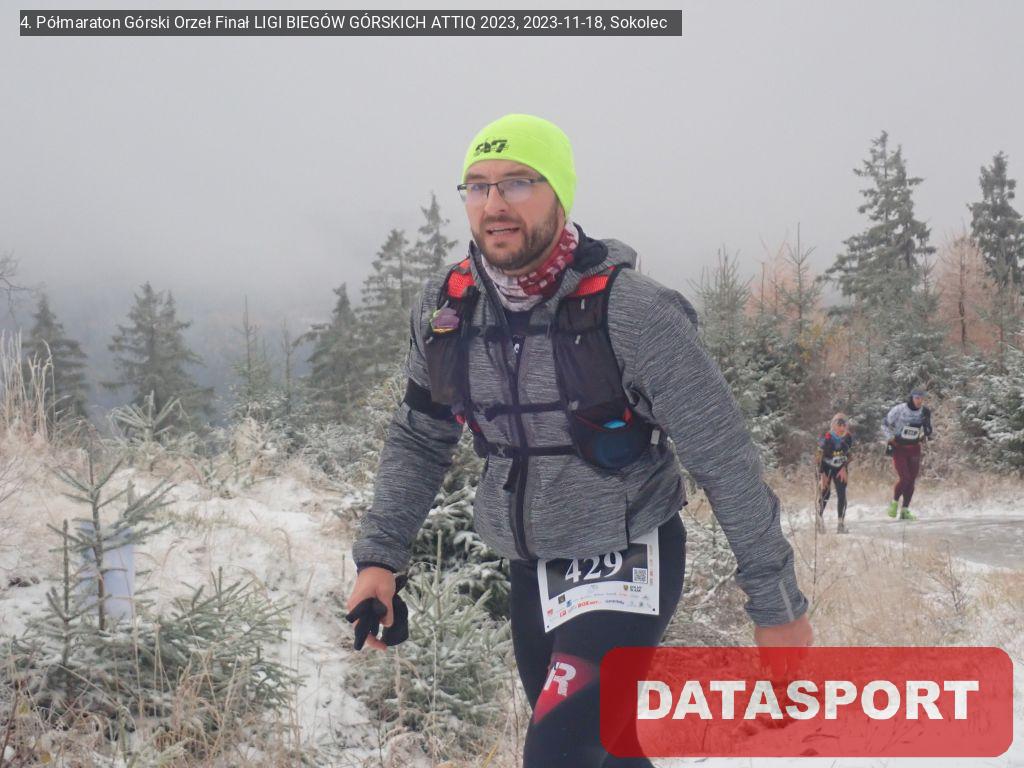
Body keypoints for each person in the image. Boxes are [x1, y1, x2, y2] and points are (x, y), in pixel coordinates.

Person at [346, 114, 811, 767]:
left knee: (559, 753)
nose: (494, 203)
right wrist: (379, 558)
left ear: (560, 194)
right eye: (477, 186)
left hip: (628, 549)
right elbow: (420, 438)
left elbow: (722, 456)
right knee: (610, 753)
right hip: (532, 564)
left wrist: (775, 602)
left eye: (518, 182)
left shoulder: (634, 312)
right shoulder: (446, 311)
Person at [881, 389, 933, 521]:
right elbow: (884, 424)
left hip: (914, 448)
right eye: (917, 398)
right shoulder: (899, 409)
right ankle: (894, 503)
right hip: (899, 447)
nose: (919, 401)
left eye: (921, 398)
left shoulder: (924, 411)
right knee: (905, 478)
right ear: (911, 398)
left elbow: (928, 430)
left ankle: (905, 510)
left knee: (912, 480)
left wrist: (926, 430)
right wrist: (890, 438)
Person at [815, 413, 853, 534]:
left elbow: (849, 455)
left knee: (842, 494)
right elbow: (818, 457)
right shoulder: (826, 438)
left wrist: (844, 467)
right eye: (839, 425)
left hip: (839, 467)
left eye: (844, 425)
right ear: (833, 426)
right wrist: (821, 474)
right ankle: (819, 521)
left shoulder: (848, 437)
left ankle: (840, 524)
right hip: (824, 467)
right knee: (825, 494)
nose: (842, 428)